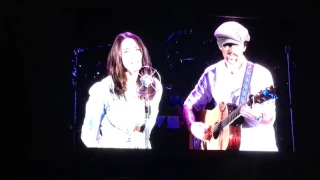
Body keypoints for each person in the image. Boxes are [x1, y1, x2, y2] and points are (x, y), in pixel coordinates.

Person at [183, 21, 278, 151]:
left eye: (236, 45)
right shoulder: (212, 73)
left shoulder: (260, 74)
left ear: (244, 47)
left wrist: (258, 115)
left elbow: (270, 119)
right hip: (222, 153)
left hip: (257, 150)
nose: (231, 50)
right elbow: (189, 105)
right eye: (227, 45)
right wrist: (192, 125)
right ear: (220, 46)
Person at [81, 32, 163, 149]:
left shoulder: (154, 85)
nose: (133, 56)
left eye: (136, 49)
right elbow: (89, 134)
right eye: (126, 52)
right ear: (118, 57)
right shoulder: (104, 88)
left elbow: (148, 127)